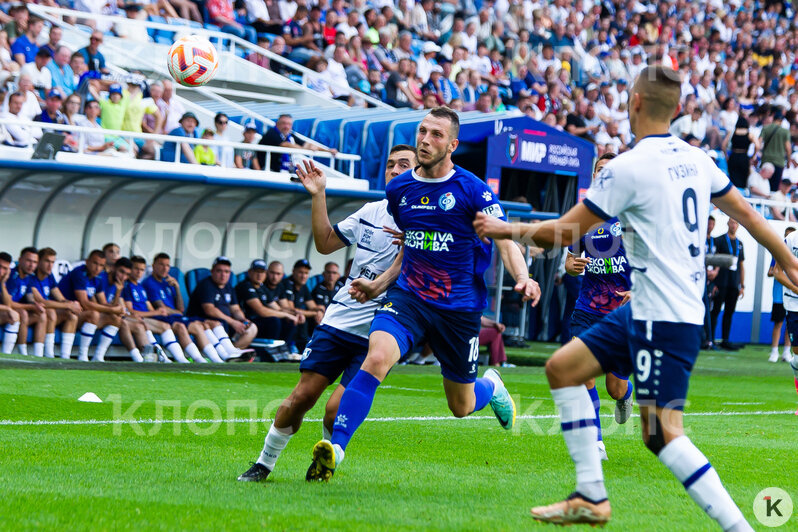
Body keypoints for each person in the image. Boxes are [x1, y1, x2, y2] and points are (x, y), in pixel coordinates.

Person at [473, 65, 798, 529]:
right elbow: (748, 214)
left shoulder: (626, 167)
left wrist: (504, 228)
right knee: (563, 368)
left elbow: (559, 233)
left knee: (662, 435)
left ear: (635, 103)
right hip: (658, 310)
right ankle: (591, 494)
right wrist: (788, 259)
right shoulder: (699, 159)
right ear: (677, 108)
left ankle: (739, 527)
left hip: (660, 317)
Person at [306, 108, 541, 482]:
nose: (425, 140)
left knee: (460, 405)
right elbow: (409, 249)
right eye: (422, 131)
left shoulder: (472, 189)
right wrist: (379, 285)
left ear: (452, 145)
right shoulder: (399, 190)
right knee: (376, 357)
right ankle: (337, 449)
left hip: (458, 309)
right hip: (409, 299)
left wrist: (524, 276)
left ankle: (491, 386)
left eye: (435, 135)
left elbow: (504, 239)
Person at [237, 144, 416, 483]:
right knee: (302, 396)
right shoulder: (371, 211)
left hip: (383, 328)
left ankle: (324, 462)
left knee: (336, 409)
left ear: (419, 170)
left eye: (403, 164)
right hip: (341, 319)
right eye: (390, 164)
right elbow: (325, 242)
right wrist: (319, 194)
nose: (394, 169)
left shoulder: (428, 219)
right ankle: (264, 463)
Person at [563, 152, 634, 462]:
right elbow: (568, 262)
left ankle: (626, 395)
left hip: (621, 312)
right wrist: (573, 265)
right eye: (599, 170)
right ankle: (596, 442)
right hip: (587, 309)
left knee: (615, 387)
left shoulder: (633, 215)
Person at [142, 252, 226, 363]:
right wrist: (177, 311)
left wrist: (177, 287)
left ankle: (220, 357)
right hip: (164, 318)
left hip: (176, 316)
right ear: (153, 266)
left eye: (167, 265)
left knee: (206, 324)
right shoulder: (150, 283)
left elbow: (181, 309)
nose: (165, 268)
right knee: (185, 326)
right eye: (161, 264)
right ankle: (197, 359)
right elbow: (163, 309)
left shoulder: (168, 283)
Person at [124, 256, 207, 363]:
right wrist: (157, 312)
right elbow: (131, 310)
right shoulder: (130, 285)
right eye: (136, 269)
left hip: (150, 317)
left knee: (170, 326)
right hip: (136, 318)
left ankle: (175, 358)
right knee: (168, 325)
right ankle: (164, 358)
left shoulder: (140, 286)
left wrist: (177, 288)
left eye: (142, 270)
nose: (139, 272)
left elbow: (150, 306)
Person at [56, 249, 128, 362]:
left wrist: (118, 295)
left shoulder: (98, 278)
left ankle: (98, 356)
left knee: (116, 319)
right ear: (87, 261)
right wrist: (114, 309)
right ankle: (82, 356)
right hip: (64, 313)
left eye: (101, 265)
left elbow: (104, 303)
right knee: (94, 314)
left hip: (79, 315)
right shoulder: (79, 273)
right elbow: (84, 303)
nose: (97, 268)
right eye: (95, 263)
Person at [186, 256, 258, 358]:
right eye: (219, 271)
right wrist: (233, 322)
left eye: (226, 272)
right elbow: (209, 310)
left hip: (225, 324)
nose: (223, 275)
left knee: (252, 327)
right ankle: (225, 353)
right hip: (204, 322)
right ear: (212, 271)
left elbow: (236, 309)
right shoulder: (206, 285)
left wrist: (243, 320)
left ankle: (232, 352)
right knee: (220, 323)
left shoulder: (229, 287)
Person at [234, 259, 300, 351]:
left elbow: (277, 308)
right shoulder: (245, 286)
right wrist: (287, 315)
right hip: (247, 322)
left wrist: (294, 314)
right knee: (274, 321)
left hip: (260, 322)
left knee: (289, 322)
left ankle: (284, 349)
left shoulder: (262, 288)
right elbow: (261, 311)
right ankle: (267, 352)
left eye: (262, 272)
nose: (259, 275)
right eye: (256, 271)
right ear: (249, 272)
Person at [28, 247, 81, 359]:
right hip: (34, 313)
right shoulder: (31, 277)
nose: (50, 265)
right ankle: (48, 354)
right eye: (47, 261)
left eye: (52, 262)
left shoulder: (50, 276)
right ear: (39, 261)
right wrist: (67, 305)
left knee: (72, 316)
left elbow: (59, 297)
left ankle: (65, 356)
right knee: (51, 312)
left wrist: (71, 304)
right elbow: (41, 302)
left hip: (46, 313)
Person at [710, 218, 745, 351]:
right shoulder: (719, 240)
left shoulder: (740, 244)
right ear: (727, 224)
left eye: (736, 223)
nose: (733, 225)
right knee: (716, 310)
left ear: (738, 225)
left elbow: (741, 265)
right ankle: (711, 339)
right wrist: (714, 283)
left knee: (729, 312)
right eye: (731, 222)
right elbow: (714, 262)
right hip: (721, 282)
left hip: (733, 283)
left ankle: (725, 340)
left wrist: (742, 285)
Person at [257, 114, 337, 172]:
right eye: (284, 123)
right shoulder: (271, 133)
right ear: (277, 124)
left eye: (289, 124)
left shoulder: (289, 135)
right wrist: (306, 149)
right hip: (268, 170)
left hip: (282, 171)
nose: (286, 126)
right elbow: (285, 145)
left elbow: (308, 144)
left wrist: (328, 151)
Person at [6, 247, 47, 357]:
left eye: (35, 262)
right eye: (28, 261)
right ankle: (22, 351)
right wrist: (30, 306)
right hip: (6, 310)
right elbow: (8, 303)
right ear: (20, 260)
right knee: (23, 313)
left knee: (41, 314)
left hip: (15, 311)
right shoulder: (12, 276)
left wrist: (36, 305)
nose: (31, 265)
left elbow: (29, 297)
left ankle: (39, 354)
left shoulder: (29, 277)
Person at [767, 227, 796, 363]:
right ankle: (774, 351)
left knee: (788, 328)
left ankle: (786, 351)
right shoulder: (778, 252)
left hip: (792, 299)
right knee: (779, 322)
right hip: (780, 295)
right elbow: (772, 271)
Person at [0, 252, 22, 355]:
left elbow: (7, 304)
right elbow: (8, 307)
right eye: (0, 267)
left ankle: (5, 356)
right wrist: (8, 309)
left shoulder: (3, 280)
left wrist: (3, 283)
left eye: (5, 268)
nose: (1, 271)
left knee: (13, 316)